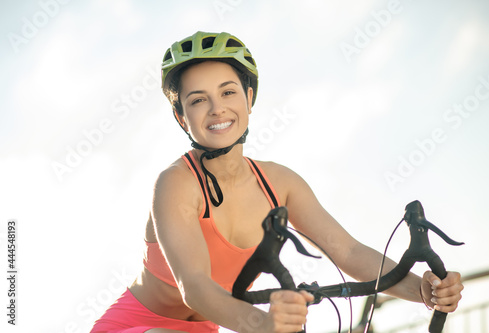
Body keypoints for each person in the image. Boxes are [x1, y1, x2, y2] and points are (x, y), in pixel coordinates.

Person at [90, 31, 463, 333]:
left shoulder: (278, 183)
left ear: (249, 98)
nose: (217, 108)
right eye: (198, 100)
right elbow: (196, 288)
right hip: (136, 326)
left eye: (228, 92)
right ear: (181, 116)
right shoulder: (175, 183)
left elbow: (347, 251)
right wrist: (264, 324)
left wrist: (424, 291)